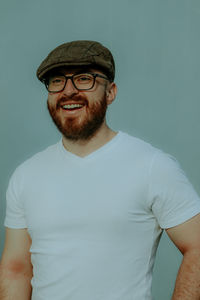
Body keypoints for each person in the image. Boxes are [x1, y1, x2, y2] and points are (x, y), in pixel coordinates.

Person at [0, 40, 200, 300]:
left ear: (111, 92)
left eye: (84, 79)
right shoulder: (26, 175)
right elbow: (16, 270)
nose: (68, 91)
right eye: (57, 81)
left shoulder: (152, 166)